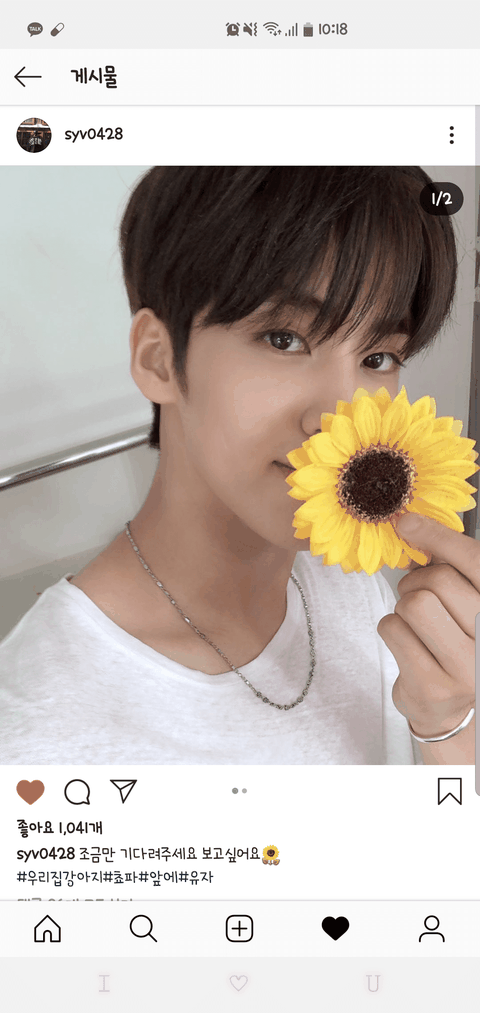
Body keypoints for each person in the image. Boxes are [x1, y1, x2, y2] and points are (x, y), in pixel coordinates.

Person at [0, 166, 476, 764]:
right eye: (284, 340)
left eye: (378, 357)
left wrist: (447, 723)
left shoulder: (352, 573)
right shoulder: (43, 742)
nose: (342, 419)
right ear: (159, 360)